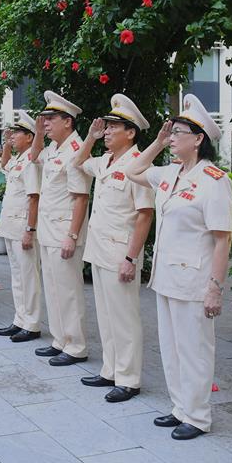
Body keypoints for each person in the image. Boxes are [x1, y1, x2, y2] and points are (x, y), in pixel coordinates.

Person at [126, 94, 232, 440]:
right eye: (170, 133)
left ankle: (198, 416)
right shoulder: (170, 173)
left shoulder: (214, 180)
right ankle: (180, 407)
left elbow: (222, 238)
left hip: (195, 279)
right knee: (171, 348)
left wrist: (215, 287)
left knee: (194, 350)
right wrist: (157, 142)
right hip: (166, 275)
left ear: (199, 138)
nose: (172, 137)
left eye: (177, 133)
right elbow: (132, 170)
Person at [73, 95, 155, 401]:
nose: (106, 132)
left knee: (124, 317)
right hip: (99, 249)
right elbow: (78, 163)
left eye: (112, 127)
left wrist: (131, 257)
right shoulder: (105, 161)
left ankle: (129, 378)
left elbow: (145, 214)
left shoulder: (139, 165)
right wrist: (90, 139)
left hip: (121, 252)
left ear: (130, 132)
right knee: (106, 315)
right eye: (105, 127)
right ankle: (111, 370)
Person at [31, 91, 92, 366]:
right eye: (45, 119)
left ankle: (76, 345)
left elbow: (81, 197)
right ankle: (60, 340)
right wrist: (38, 133)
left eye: (51, 119)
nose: (46, 123)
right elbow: (33, 157)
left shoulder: (77, 151)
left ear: (68, 121)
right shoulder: (53, 149)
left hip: (63, 232)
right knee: (53, 288)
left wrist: (72, 235)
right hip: (47, 229)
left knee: (68, 290)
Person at [0, 111, 44, 342]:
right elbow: (3, 165)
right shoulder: (17, 160)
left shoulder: (31, 162)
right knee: (16, 275)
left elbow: (34, 197)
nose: (12, 136)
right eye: (11, 133)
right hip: (10, 225)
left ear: (29, 137)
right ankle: (20, 319)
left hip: (22, 226)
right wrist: (6, 145)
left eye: (16, 134)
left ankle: (32, 324)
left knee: (28, 276)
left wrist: (30, 230)